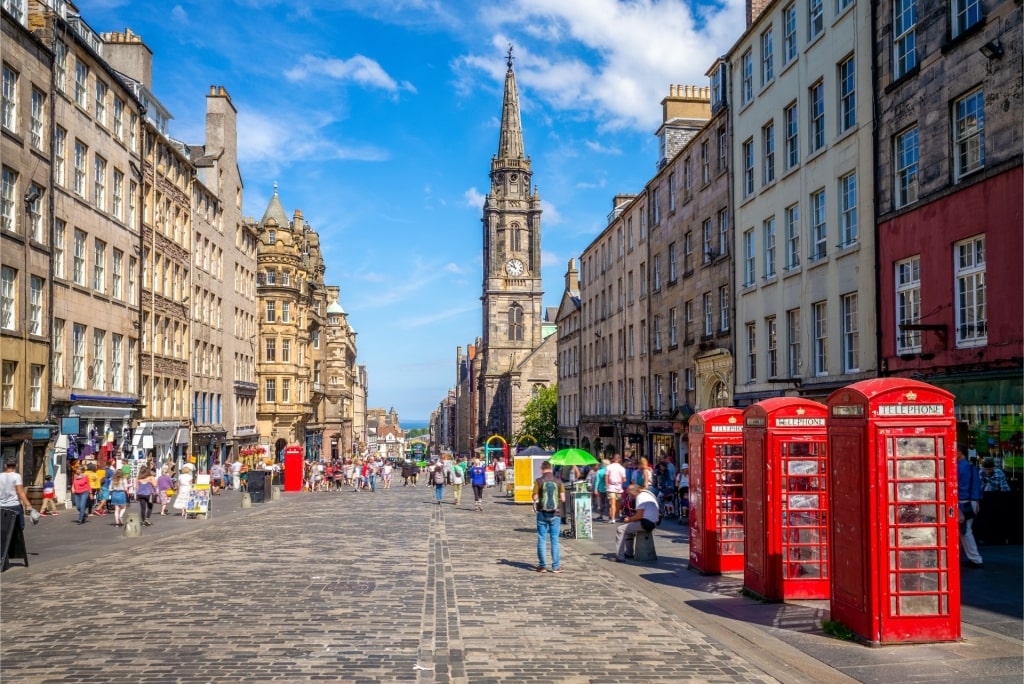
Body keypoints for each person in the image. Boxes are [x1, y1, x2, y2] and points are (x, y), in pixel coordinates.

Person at [532, 460, 565, 573]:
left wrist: (537, 495)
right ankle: (555, 567)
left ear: (542, 469)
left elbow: (535, 498)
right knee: (554, 540)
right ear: (551, 469)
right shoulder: (558, 481)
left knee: (542, 538)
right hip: (555, 514)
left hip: (542, 512)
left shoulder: (539, 481)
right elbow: (563, 499)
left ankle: (542, 566)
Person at [614, 483, 660, 562]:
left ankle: (619, 556)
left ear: (634, 492)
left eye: (630, 494)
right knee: (628, 528)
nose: (630, 496)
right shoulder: (648, 493)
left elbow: (639, 516)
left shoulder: (640, 497)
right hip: (654, 521)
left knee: (620, 529)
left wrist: (629, 519)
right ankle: (629, 552)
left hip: (647, 523)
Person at [957, 447, 983, 569]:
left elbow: (955, 486)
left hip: (963, 502)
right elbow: (977, 484)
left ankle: (976, 559)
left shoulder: (959, 467)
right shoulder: (972, 466)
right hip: (971, 502)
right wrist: (976, 501)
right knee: (965, 531)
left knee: (965, 531)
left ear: (960, 452)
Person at [0, 458, 37, 530]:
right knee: (19, 527)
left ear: (5, 465)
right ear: (16, 465)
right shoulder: (17, 476)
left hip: (1, 506)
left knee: (3, 528)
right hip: (14, 505)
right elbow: (20, 492)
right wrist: (28, 505)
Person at [604, 454, 626, 524]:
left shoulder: (609, 467)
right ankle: (615, 516)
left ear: (613, 459)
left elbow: (606, 476)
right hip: (619, 487)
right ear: (619, 459)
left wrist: (607, 485)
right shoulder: (622, 468)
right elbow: (624, 479)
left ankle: (612, 518)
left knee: (612, 503)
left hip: (611, 487)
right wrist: (620, 482)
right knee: (617, 503)